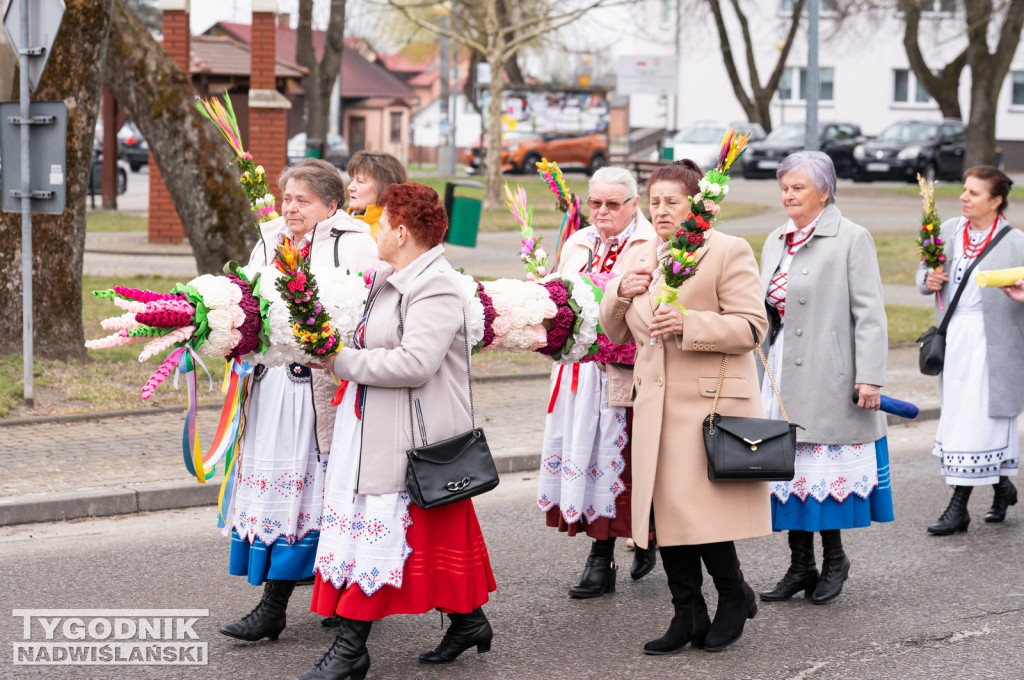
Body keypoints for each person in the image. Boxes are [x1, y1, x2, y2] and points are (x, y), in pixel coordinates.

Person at [301, 183, 497, 680]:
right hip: (377, 424)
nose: (373, 229)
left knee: (383, 538)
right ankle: (468, 621)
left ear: (402, 231)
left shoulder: (436, 285)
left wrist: (340, 361)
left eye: (380, 221)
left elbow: (415, 363)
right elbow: (375, 341)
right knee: (418, 539)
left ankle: (350, 650)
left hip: (412, 433)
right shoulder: (392, 277)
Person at [599, 160, 771, 654]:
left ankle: (734, 596)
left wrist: (690, 324)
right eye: (654, 202)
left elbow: (753, 328)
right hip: (653, 406)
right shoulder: (641, 254)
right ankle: (687, 611)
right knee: (665, 515)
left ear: (698, 204)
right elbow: (614, 332)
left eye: (672, 201)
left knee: (700, 516)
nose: (661, 210)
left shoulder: (726, 250)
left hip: (705, 406)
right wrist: (618, 293)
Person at [220, 159, 380, 642]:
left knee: (320, 493)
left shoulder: (354, 243)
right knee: (278, 494)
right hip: (271, 389)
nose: (289, 207)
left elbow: (366, 308)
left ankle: (311, 597)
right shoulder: (269, 238)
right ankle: (275, 606)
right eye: (286, 197)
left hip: (321, 393)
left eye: (301, 200)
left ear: (331, 205)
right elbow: (246, 301)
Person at [756, 151, 892, 606]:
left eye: (797, 187)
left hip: (828, 373)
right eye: (784, 187)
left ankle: (835, 560)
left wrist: (869, 376)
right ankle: (800, 566)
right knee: (787, 470)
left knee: (822, 470)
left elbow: (870, 314)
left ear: (824, 191)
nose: (787, 195)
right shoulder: (777, 238)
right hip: (780, 368)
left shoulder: (853, 237)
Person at [536, 166, 659, 598]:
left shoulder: (649, 243)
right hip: (577, 372)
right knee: (586, 457)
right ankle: (601, 559)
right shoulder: (578, 240)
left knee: (626, 459)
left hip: (623, 367)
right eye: (595, 203)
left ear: (633, 205)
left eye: (613, 204)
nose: (602, 211)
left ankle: (646, 531)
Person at [917, 166, 1024, 534]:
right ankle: (1002, 487)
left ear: (995, 202)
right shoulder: (947, 231)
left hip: (994, 344)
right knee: (961, 417)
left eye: (974, 193)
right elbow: (924, 273)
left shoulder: (1015, 241)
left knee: (981, 419)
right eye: (964, 190)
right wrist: (928, 279)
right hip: (955, 339)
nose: (964, 197)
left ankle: (958, 507)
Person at [346, 151, 408, 239]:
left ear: (385, 188)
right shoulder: (344, 222)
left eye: (360, 181)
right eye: (352, 180)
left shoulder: (389, 235)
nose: (350, 187)